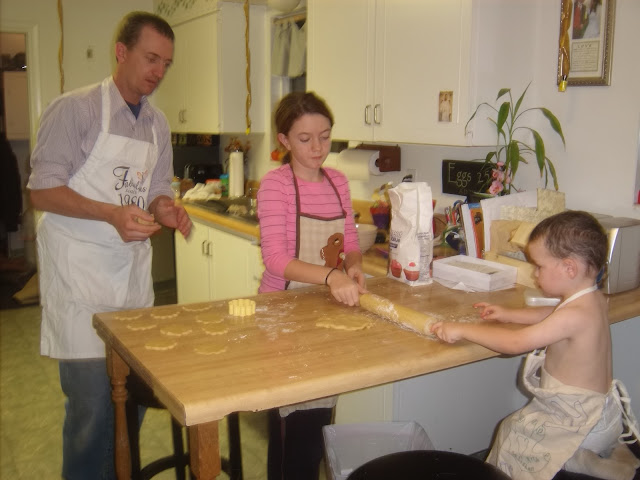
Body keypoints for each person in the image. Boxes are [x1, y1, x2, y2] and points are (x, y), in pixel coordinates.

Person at [27, 12, 191, 480]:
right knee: (92, 415)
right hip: (80, 284)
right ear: (122, 52)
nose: (159, 71)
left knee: (130, 407)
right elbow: (42, 191)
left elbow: (156, 189)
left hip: (131, 285)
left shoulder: (157, 124)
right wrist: (111, 214)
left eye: (166, 64)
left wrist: (165, 208)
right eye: (151, 58)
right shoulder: (74, 110)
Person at [431, 211, 639, 480]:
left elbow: (515, 343)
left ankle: (580, 459)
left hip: (577, 422)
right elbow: (552, 315)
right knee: (524, 429)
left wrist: (462, 329)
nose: (535, 273)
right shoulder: (594, 300)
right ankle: (609, 452)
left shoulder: (573, 315)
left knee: (513, 433)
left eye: (539, 266)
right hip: (605, 416)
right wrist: (509, 314)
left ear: (569, 268)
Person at [257, 91, 367, 479]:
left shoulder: (338, 182)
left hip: (325, 315)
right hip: (282, 318)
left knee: (317, 422)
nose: (318, 148)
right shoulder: (276, 185)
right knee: (291, 430)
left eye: (325, 136)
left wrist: (353, 266)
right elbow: (275, 259)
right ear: (284, 140)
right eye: (305, 139)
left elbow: (349, 241)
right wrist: (331, 276)